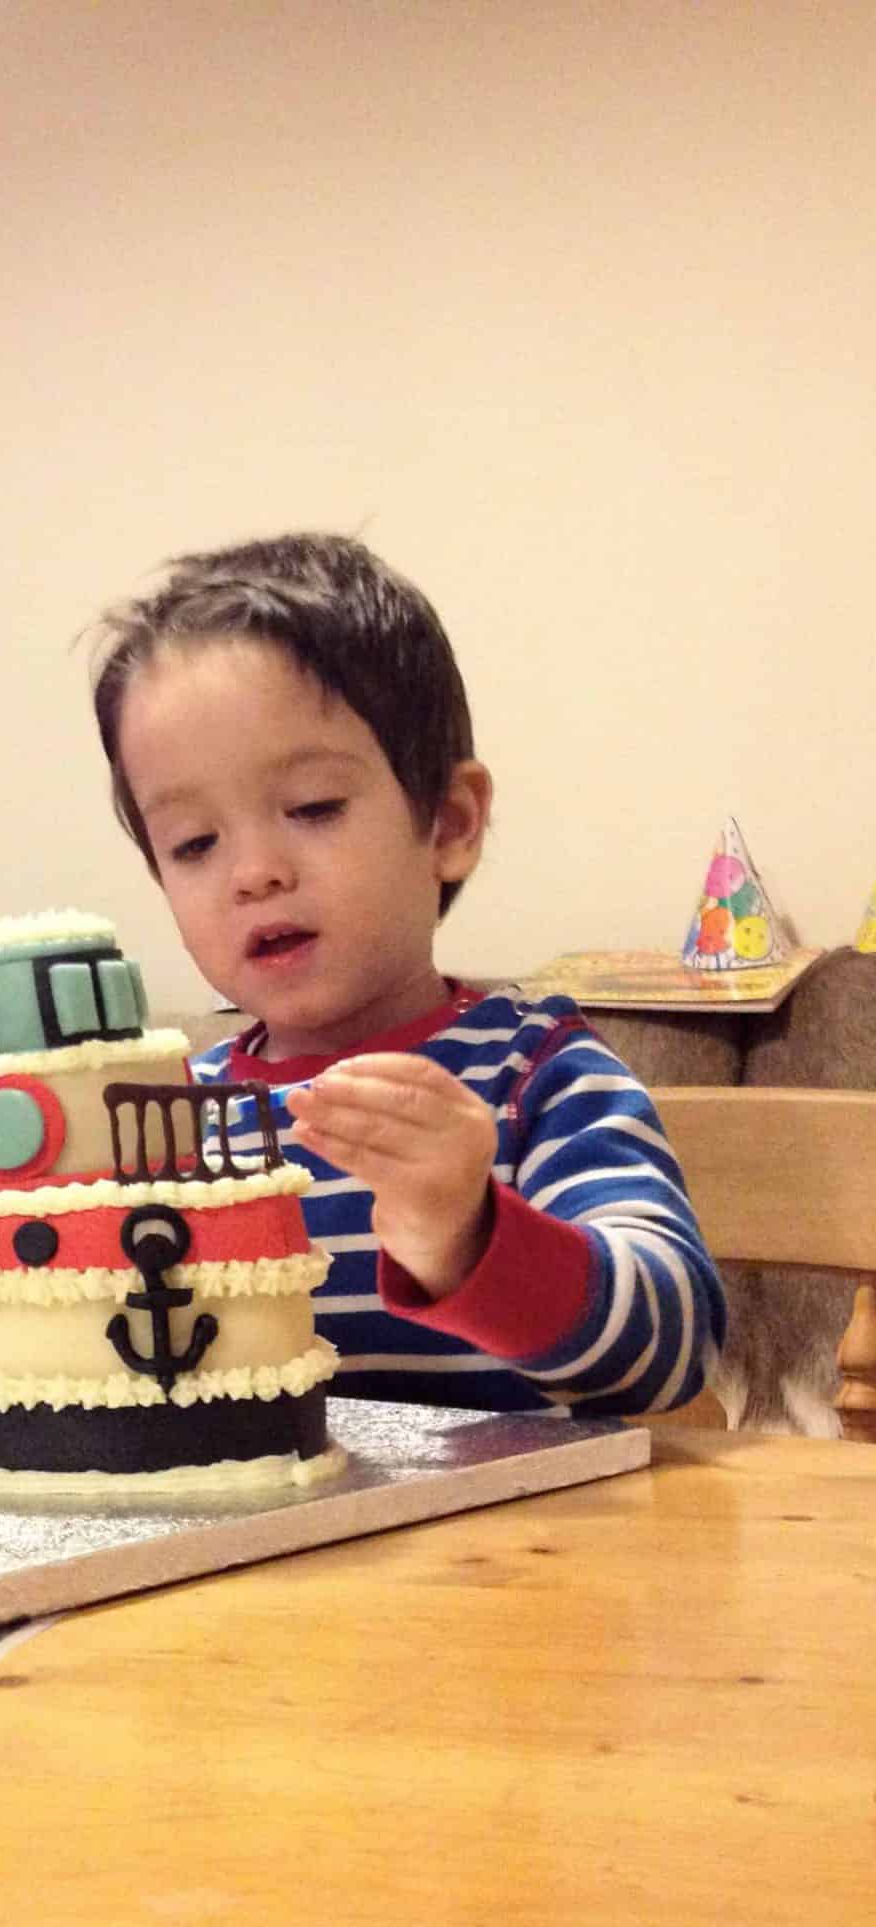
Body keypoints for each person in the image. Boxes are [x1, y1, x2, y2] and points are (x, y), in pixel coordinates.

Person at [90, 532, 723, 1413]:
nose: (252, 871)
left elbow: (669, 1348)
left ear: (451, 823)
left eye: (312, 807)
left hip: (525, 1548)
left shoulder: (534, 1074)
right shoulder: (168, 1120)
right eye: (194, 843)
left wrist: (470, 1237)